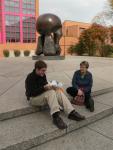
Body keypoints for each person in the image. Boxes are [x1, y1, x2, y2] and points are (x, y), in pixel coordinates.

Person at [25, 60, 85, 130]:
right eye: (42, 71)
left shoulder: (43, 75)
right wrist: (44, 88)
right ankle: (56, 117)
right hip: (33, 99)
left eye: (45, 71)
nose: (44, 73)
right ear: (37, 69)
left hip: (42, 95)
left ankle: (71, 112)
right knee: (50, 92)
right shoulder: (30, 77)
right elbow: (31, 93)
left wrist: (52, 86)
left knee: (57, 91)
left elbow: (45, 85)